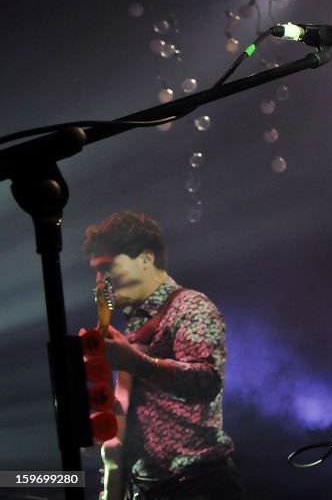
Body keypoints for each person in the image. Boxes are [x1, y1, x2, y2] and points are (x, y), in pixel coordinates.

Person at [82, 210, 240, 499]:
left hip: (196, 486)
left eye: (107, 267)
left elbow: (206, 382)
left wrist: (132, 361)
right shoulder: (133, 327)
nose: (99, 280)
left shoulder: (190, 306)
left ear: (145, 259)